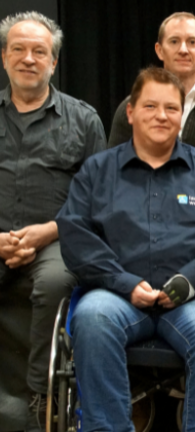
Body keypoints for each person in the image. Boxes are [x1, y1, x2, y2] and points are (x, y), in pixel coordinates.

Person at [56, 67, 195, 432]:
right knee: (92, 320)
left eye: (171, 108)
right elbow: (75, 233)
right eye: (150, 106)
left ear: (182, 115)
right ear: (130, 112)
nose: (161, 116)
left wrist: (189, 281)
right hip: (117, 295)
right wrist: (123, 282)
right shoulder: (98, 170)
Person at [0, 11, 106, 431]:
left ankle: (38, 398)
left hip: (58, 237)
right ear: (5, 57)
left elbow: (98, 198)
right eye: (19, 50)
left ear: (53, 62)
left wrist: (51, 229)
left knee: (55, 282)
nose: (29, 58)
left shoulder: (84, 119)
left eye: (39, 51)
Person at [108, 12, 195, 198]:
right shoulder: (133, 107)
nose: (183, 49)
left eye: (192, 42)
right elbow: (113, 173)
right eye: (174, 41)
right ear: (159, 50)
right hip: (140, 220)